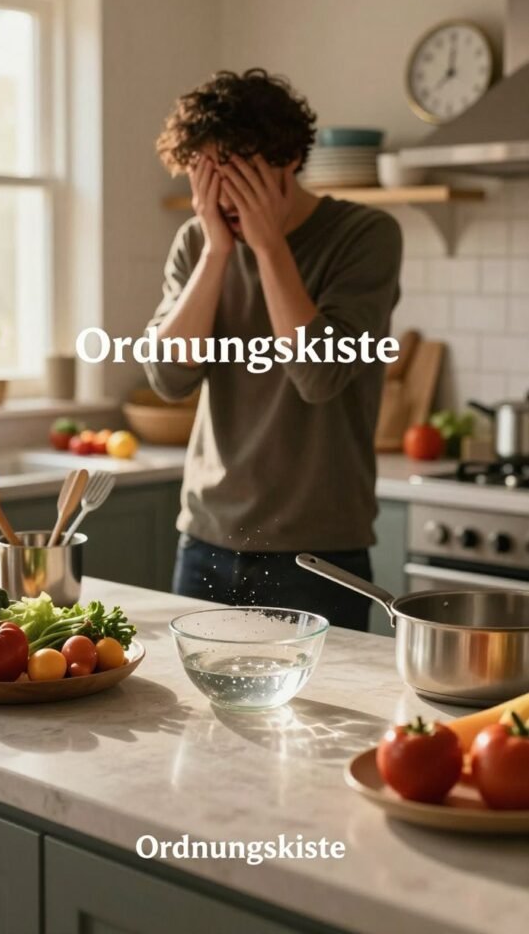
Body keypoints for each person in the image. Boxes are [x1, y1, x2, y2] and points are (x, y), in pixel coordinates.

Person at [145, 68, 402, 631]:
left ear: (287, 163)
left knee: (324, 720)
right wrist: (217, 253)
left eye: (236, 174)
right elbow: (168, 378)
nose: (221, 195)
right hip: (205, 539)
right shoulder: (197, 242)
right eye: (206, 176)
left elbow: (317, 376)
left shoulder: (365, 236)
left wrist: (268, 246)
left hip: (318, 554)